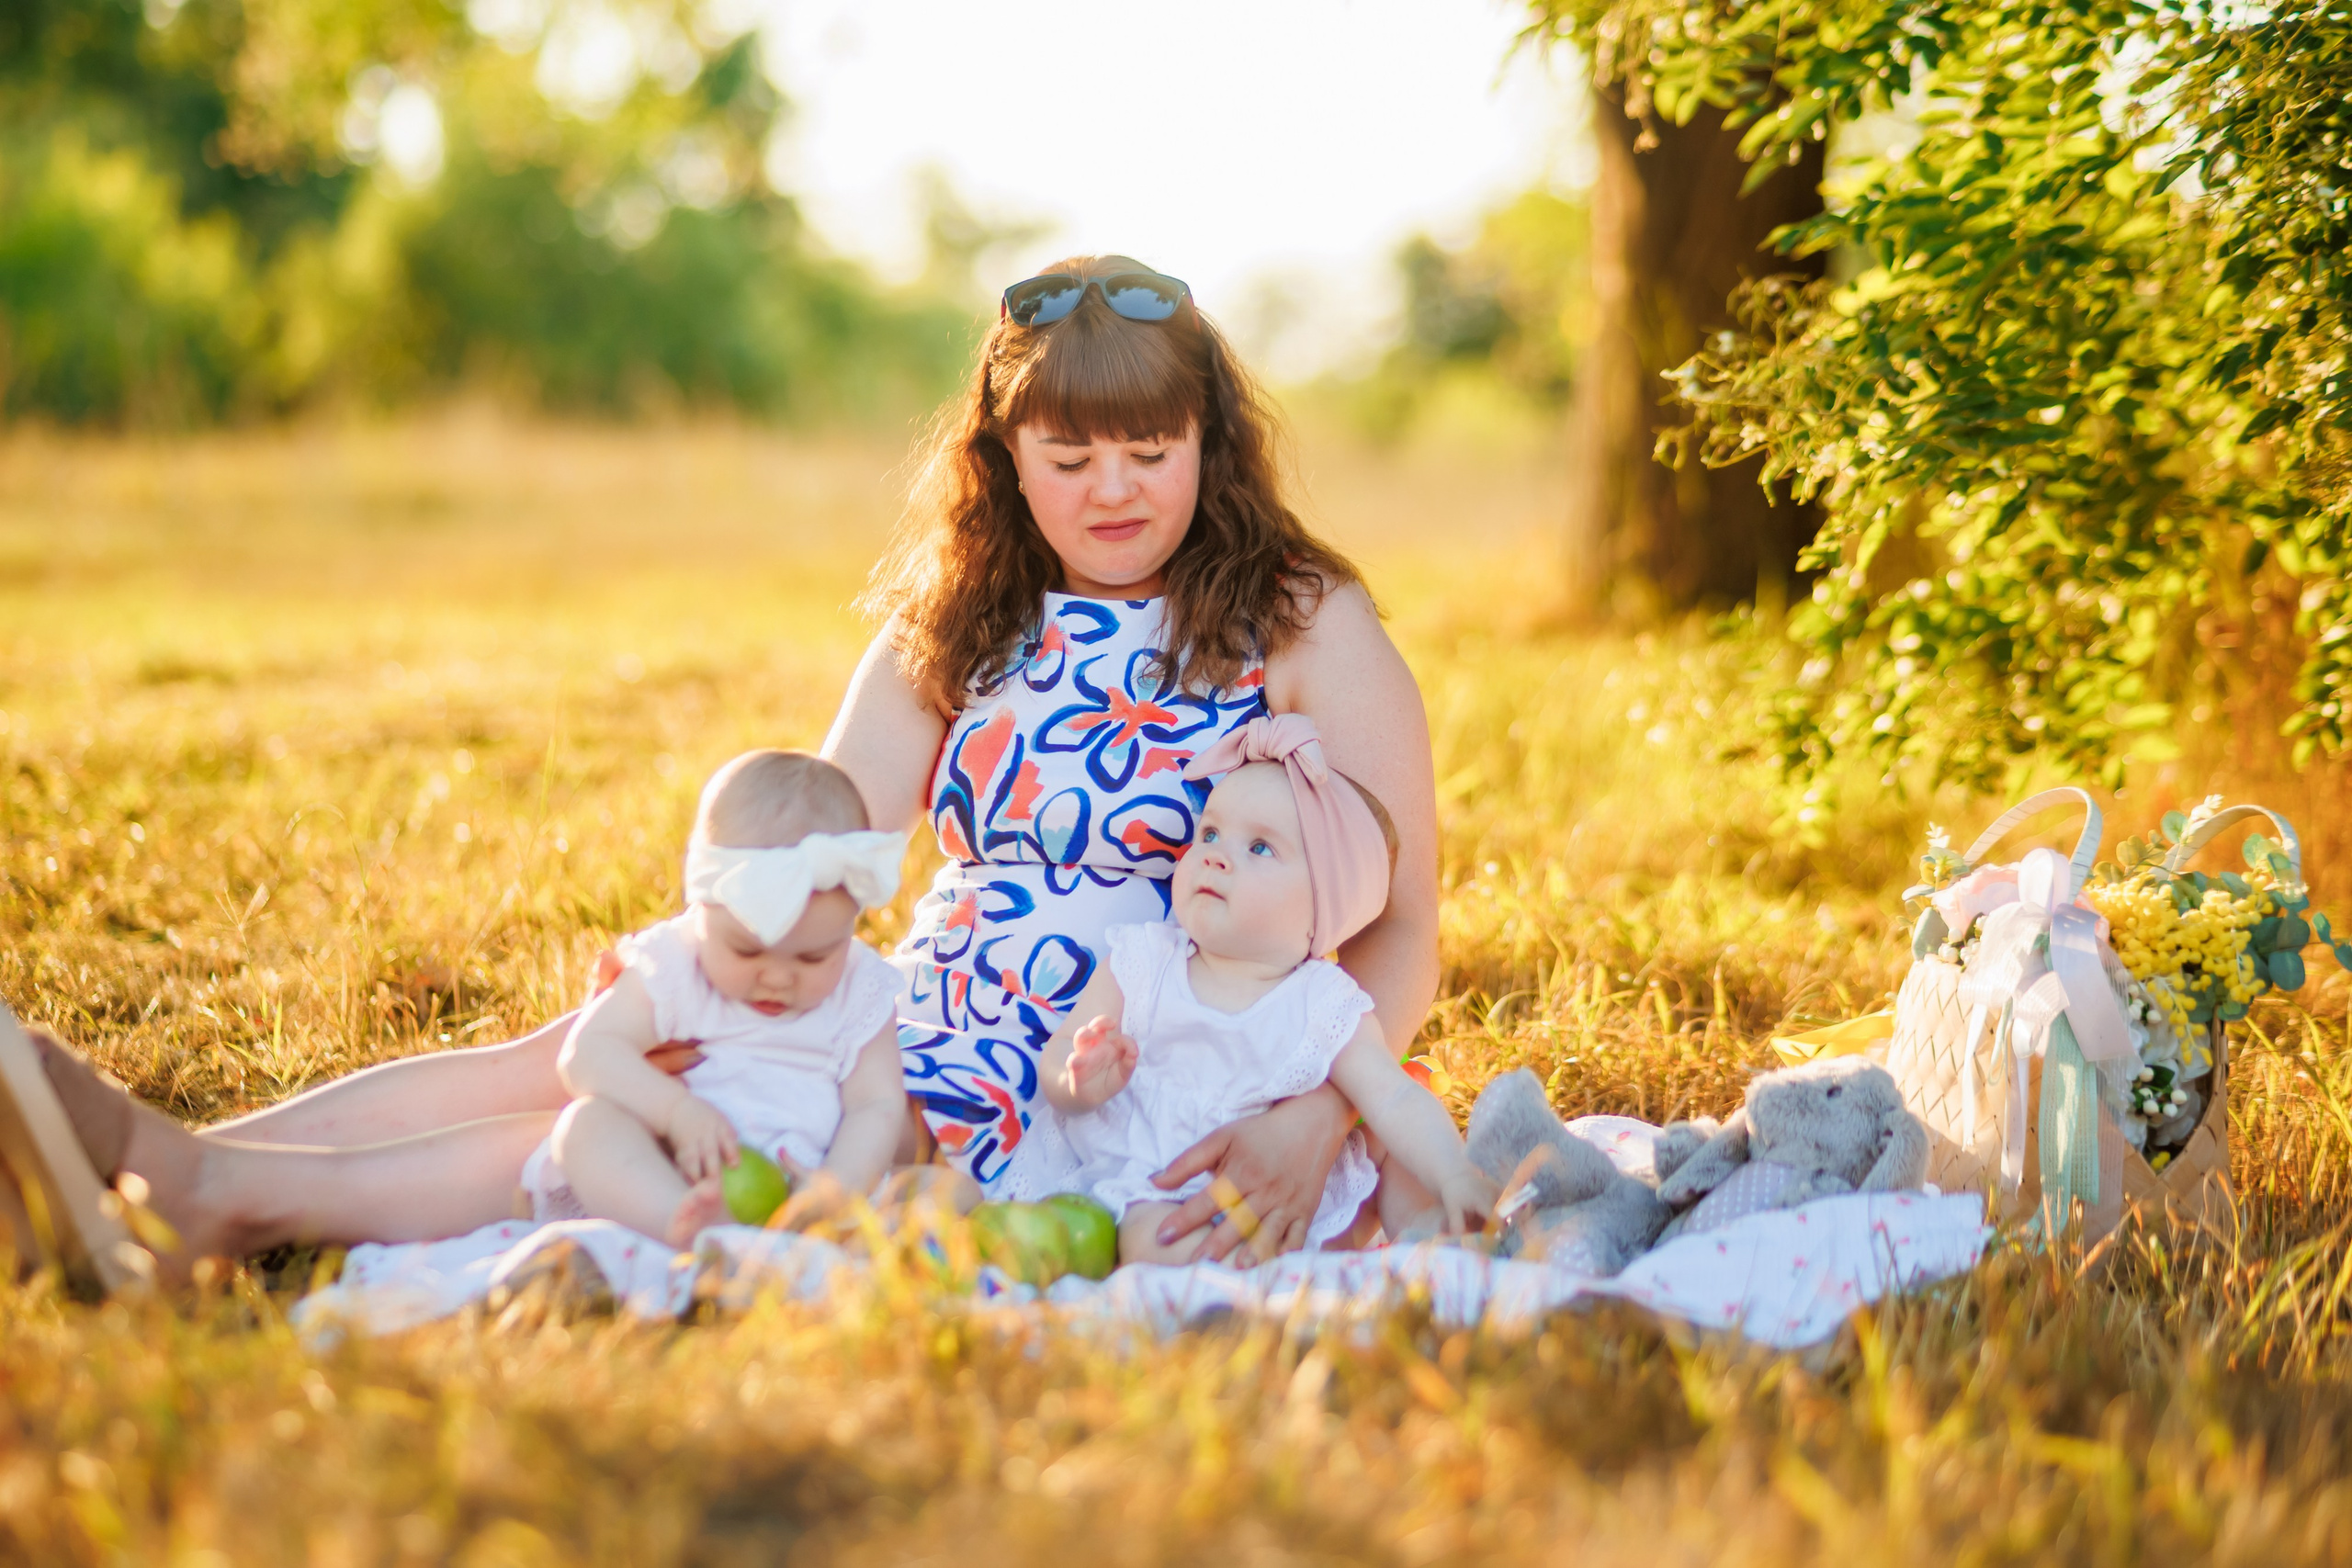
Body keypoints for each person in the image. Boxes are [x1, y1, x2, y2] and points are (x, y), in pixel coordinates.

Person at [0, 254, 1442, 1285]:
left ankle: (211, 1195)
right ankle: (165, 1160)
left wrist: (1317, 1108)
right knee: (641, 1039)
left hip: (1143, 1056)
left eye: (1149, 448)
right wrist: (705, 955)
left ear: (1211, 442)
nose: (1112, 491)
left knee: (698, 1116)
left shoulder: (1302, 620)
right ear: (1004, 456)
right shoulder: (968, 613)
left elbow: (1401, 923)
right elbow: (831, 831)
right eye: (1069, 455)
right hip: (942, 996)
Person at [998, 716, 1492, 1264]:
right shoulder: (1141, 964)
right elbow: (1061, 1056)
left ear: (1324, 908)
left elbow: (1395, 1096)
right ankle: (1240, 1285)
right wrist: (1080, 1078)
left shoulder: (1323, 1003)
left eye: (1260, 848)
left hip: (1298, 1203)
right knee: (1150, 1239)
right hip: (1163, 1186)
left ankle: (1439, 1240)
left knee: (1392, 1142)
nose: (1214, 854)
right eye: (1209, 833)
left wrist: (1454, 1173)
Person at [526, 750, 915, 1244]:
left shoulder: (860, 986)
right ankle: (692, 1231)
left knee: (954, 1193)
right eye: (747, 950)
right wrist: (677, 1113)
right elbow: (588, 1054)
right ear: (702, 905)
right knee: (585, 1125)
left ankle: (777, 1243)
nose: (777, 978)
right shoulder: (675, 963)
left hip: (802, 1181)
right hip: (667, 1163)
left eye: (813, 959)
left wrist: (835, 1189)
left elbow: (876, 1103)